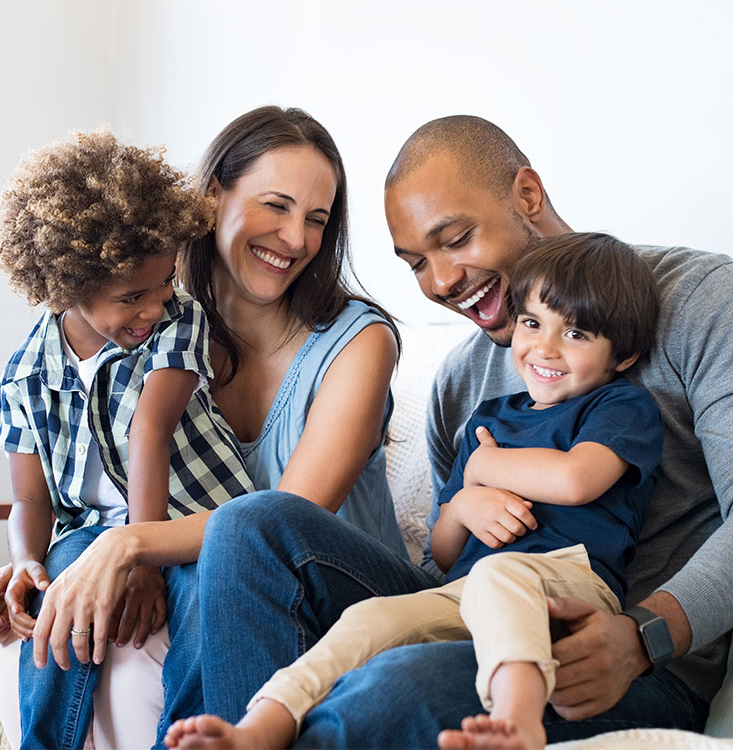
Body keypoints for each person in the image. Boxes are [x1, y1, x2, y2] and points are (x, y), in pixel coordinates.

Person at [186, 114, 733, 747]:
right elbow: (448, 560)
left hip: (620, 655)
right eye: (416, 264)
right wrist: (463, 507)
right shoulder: (462, 381)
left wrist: (644, 635)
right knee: (252, 525)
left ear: (526, 195)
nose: (440, 283)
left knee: (391, 688)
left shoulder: (702, 299)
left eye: (456, 238)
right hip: (477, 610)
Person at [0, 106, 417, 749]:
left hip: (334, 591)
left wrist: (129, 545)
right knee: (81, 584)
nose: (295, 238)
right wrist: (32, 572)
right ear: (209, 200)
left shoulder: (357, 343)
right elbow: (79, 483)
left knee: (227, 551)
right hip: (212, 569)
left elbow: (286, 520)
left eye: (316, 219)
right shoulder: (153, 330)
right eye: (276, 206)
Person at [164, 232, 664, 750]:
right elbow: (445, 553)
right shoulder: (489, 418)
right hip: (464, 591)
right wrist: (465, 501)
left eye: (576, 334)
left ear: (622, 355)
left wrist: (485, 466)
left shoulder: (619, 407)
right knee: (370, 618)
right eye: (532, 323)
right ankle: (261, 726)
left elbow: (575, 479)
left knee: (500, 573)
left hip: (570, 585)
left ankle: (519, 720)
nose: (545, 348)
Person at [0, 129, 254, 750]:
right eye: (131, 296)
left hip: (196, 520)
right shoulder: (25, 375)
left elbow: (149, 431)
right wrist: (28, 561)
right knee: (60, 593)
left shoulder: (177, 319)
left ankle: (188, 740)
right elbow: (31, 500)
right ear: (65, 286)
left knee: (203, 604)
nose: (153, 306)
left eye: (163, 283)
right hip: (89, 533)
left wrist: (141, 557)